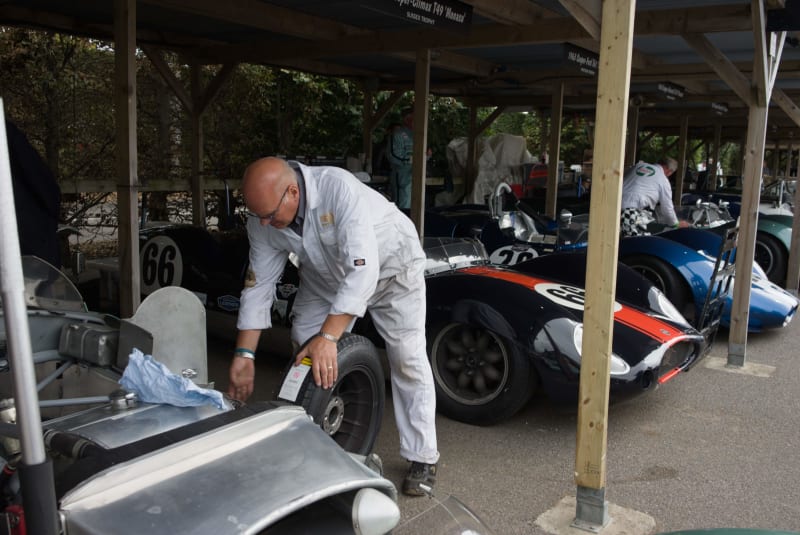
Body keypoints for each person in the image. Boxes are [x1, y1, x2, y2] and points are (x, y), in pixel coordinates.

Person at [227, 156, 439, 496]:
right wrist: (244, 354)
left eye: (269, 215)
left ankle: (422, 457)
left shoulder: (337, 188)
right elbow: (259, 287)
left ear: (293, 192)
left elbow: (363, 271)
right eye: (258, 215)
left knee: (407, 358)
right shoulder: (263, 220)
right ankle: (322, 425)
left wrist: (329, 336)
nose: (264, 223)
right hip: (326, 278)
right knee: (304, 342)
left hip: (391, 269)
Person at [620, 157, 689, 236]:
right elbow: (667, 208)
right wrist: (675, 224)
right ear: (668, 170)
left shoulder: (637, 166)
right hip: (632, 215)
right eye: (671, 173)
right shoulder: (663, 180)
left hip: (614, 208)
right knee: (636, 243)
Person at [386, 110, 414, 209]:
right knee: (402, 203)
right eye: (413, 119)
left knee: (414, 204)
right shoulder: (397, 134)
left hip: (416, 175)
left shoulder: (419, 134)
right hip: (401, 175)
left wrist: (427, 155)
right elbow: (393, 155)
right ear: (407, 120)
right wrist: (410, 160)